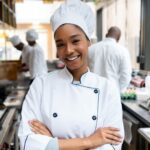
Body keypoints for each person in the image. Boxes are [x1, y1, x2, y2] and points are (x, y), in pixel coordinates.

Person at [18, 1, 124, 149]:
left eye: (75, 41)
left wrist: (52, 143)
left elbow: (112, 146)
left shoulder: (107, 89)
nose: (68, 50)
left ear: (88, 41)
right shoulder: (40, 85)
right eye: (60, 44)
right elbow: (28, 142)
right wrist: (90, 142)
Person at [88, 26, 132, 92]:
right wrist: (117, 90)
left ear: (106, 35)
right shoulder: (123, 51)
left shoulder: (91, 49)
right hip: (112, 91)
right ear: (118, 39)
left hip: (93, 90)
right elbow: (126, 76)